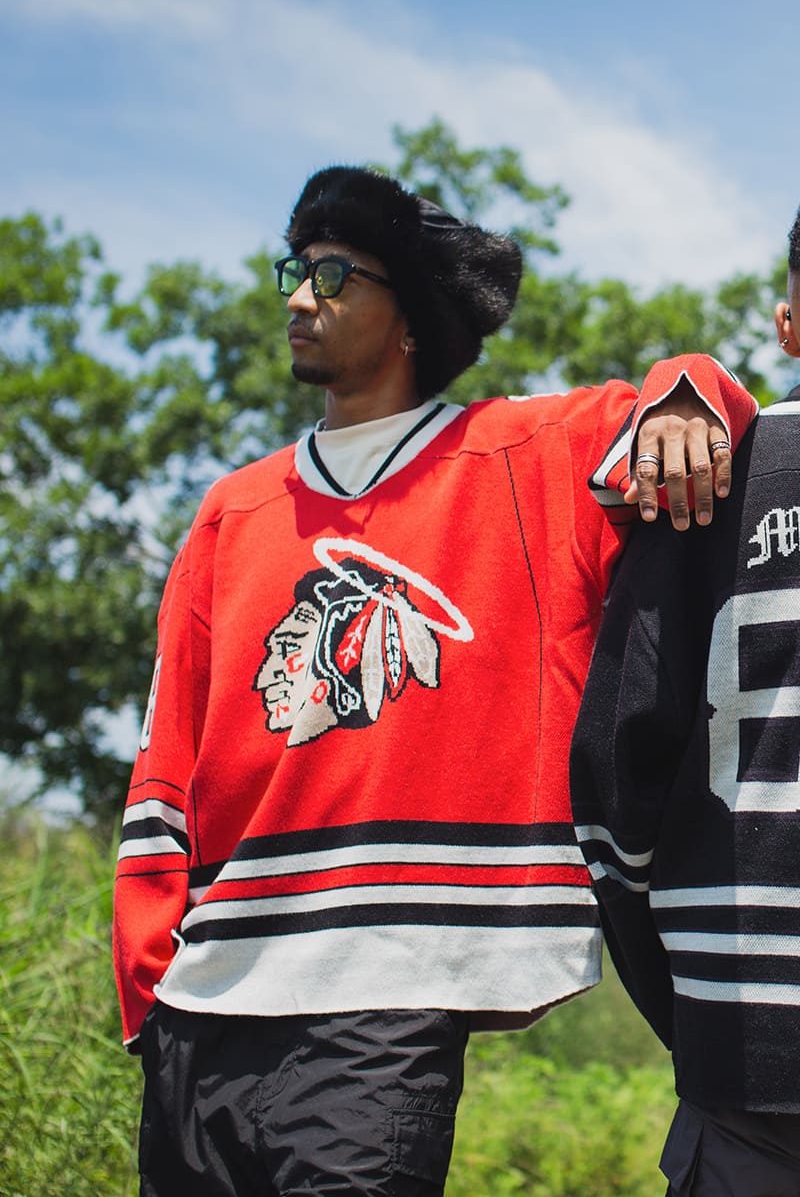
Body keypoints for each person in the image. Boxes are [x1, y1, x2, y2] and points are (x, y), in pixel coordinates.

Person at [113, 164, 757, 1197]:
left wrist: (684, 394)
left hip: (385, 994)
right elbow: (165, 762)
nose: (298, 298)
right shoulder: (233, 510)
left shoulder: (520, 458)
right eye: (294, 271)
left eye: (332, 275)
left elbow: (682, 394)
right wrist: (147, 988)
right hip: (203, 1004)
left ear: (407, 315)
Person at [570, 206, 800, 1195]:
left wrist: (699, 1007)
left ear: (788, 325)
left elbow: (613, 781)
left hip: (741, 1045)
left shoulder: (701, 481)